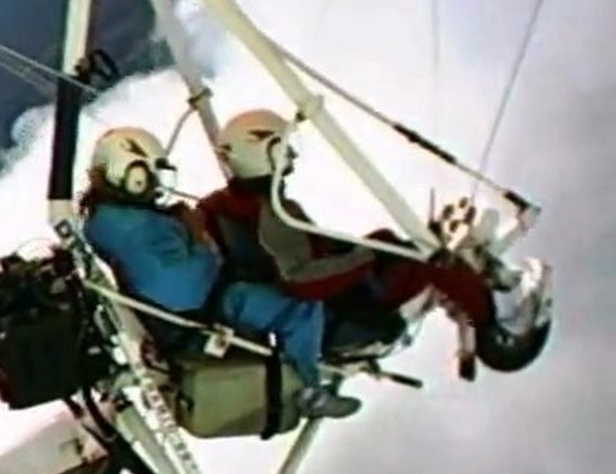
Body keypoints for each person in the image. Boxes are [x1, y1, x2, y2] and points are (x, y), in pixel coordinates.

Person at [79, 125, 361, 420]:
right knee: (300, 307)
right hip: (202, 316)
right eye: (149, 175)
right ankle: (308, 389)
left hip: (188, 309)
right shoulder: (133, 229)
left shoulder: (109, 220)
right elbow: (184, 288)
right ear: (131, 176)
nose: (155, 184)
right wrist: (199, 239)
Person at [198, 109, 501, 348]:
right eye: (284, 148)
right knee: (434, 260)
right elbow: (300, 279)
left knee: (384, 239)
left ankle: (432, 266)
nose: (291, 155)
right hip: (343, 306)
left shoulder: (227, 203)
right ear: (265, 153)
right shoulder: (273, 214)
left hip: (320, 288)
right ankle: (491, 327)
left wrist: (364, 249)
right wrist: (363, 258)